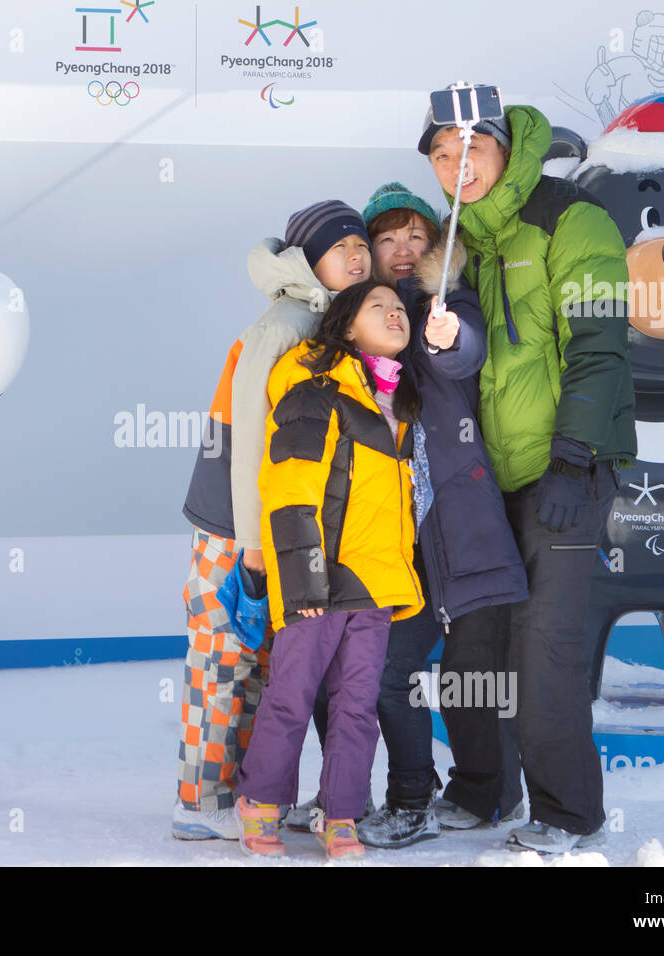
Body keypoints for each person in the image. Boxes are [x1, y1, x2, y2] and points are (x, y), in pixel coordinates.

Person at [418, 94, 636, 853]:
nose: (456, 167)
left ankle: (568, 812)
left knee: (543, 651)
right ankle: (483, 791)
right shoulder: (462, 243)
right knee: (473, 644)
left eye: (468, 148)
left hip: (564, 472)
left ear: (506, 147)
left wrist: (574, 463)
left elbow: (601, 348)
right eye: (442, 155)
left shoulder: (573, 219)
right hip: (490, 478)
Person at [289, 183, 530, 848]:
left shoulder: (443, 308)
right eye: (386, 239)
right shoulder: (367, 324)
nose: (401, 250)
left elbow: (463, 351)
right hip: (398, 547)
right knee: (381, 672)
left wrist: (446, 335)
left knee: (466, 678)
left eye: (415, 237)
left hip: (465, 532)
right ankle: (388, 795)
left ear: (433, 246)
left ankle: (483, 796)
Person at [173, 201, 372, 840]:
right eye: (340, 247)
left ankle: (235, 796)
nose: (357, 255)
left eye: (360, 244)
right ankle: (199, 805)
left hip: (268, 526)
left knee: (258, 661)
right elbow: (254, 437)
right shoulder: (286, 323)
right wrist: (254, 543)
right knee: (222, 657)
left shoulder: (326, 319)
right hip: (234, 523)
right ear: (307, 259)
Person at [232, 280, 426, 859]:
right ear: (346, 326)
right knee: (292, 694)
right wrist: (304, 579)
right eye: (377, 307)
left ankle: (340, 813)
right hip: (318, 579)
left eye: (399, 308)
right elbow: (289, 490)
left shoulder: (398, 403)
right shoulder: (316, 389)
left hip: (376, 584)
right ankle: (261, 802)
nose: (394, 313)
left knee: (357, 705)